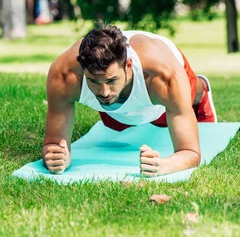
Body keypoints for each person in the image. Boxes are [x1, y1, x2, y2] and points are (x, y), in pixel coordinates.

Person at [42, 23, 217, 177]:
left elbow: (190, 152)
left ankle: (201, 91)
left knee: (167, 114)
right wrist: (58, 158)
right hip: (123, 103)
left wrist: (164, 165)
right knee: (115, 124)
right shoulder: (63, 76)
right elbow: (53, 144)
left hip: (162, 75)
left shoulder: (163, 76)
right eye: (93, 81)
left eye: (111, 80)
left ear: (128, 66)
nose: (103, 92)